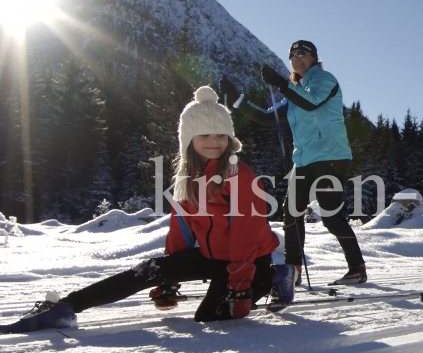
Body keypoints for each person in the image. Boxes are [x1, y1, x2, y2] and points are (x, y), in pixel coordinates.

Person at [1, 86, 283, 333]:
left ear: (230, 138)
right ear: (189, 141)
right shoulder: (188, 178)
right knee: (144, 270)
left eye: (221, 134)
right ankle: (65, 308)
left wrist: (241, 278)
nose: (214, 140)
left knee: (209, 318)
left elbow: (248, 228)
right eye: (204, 134)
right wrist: (168, 277)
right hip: (214, 256)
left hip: (248, 260)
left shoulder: (239, 174)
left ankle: (272, 277)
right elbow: (181, 228)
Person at [220, 40, 367, 285]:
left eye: (302, 53)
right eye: (292, 55)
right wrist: (237, 100)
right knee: (291, 212)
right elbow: (269, 119)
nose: (296, 58)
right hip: (305, 160)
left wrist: (282, 83)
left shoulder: (324, 80)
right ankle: (292, 270)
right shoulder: (295, 92)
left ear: (314, 57)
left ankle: (357, 267)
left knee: (331, 217)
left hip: (331, 157)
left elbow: (312, 102)